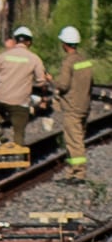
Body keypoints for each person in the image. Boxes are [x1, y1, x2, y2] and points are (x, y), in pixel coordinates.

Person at [0, 26, 47, 148]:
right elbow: (42, 82)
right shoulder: (34, 59)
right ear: (29, 42)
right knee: (19, 131)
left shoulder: (4, 56)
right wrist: (43, 98)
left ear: (15, 40)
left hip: (1, 98)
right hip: (20, 102)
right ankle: (18, 157)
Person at [51, 26, 92, 184]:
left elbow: (63, 85)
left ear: (64, 44)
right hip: (84, 106)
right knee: (77, 139)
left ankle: (79, 174)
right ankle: (71, 172)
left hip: (72, 108)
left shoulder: (68, 62)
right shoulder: (85, 61)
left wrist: (52, 81)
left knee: (74, 142)